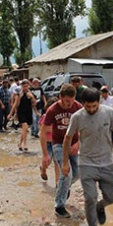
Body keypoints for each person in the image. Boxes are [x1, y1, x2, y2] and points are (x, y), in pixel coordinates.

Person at [63, 87, 113, 226]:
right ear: (83, 103)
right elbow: (67, 138)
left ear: (99, 102)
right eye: (88, 106)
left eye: (94, 106)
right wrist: (65, 162)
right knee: (90, 198)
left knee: (111, 197)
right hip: (86, 163)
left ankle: (101, 207)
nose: (91, 109)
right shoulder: (78, 117)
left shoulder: (109, 113)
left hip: (107, 162)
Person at [40, 84, 82, 218]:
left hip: (73, 143)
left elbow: (85, 128)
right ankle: (59, 206)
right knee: (67, 173)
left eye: (72, 100)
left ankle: (63, 188)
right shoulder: (53, 110)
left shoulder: (78, 107)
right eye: (67, 101)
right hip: (58, 144)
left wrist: (78, 143)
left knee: (78, 173)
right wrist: (46, 154)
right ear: (60, 97)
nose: (70, 104)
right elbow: (42, 132)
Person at [9, 79, 39, 151]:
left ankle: (20, 143)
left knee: (25, 129)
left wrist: (36, 112)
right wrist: (10, 114)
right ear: (22, 86)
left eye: (26, 86)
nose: (25, 88)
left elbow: (34, 104)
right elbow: (15, 104)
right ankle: (24, 144)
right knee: (25, 127)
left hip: (28, 112)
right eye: (24, 86)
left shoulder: (30, 93)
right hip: (21, 112)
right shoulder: (19, 94)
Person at [39, 96, 61, 183]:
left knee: (57, 162)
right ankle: (43, 169)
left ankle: (57, 182)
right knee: (47, 160)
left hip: (56, 142)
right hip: (48, 142)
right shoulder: (45, 116)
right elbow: (41, 128)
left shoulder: (59, 117)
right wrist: (48, 129)